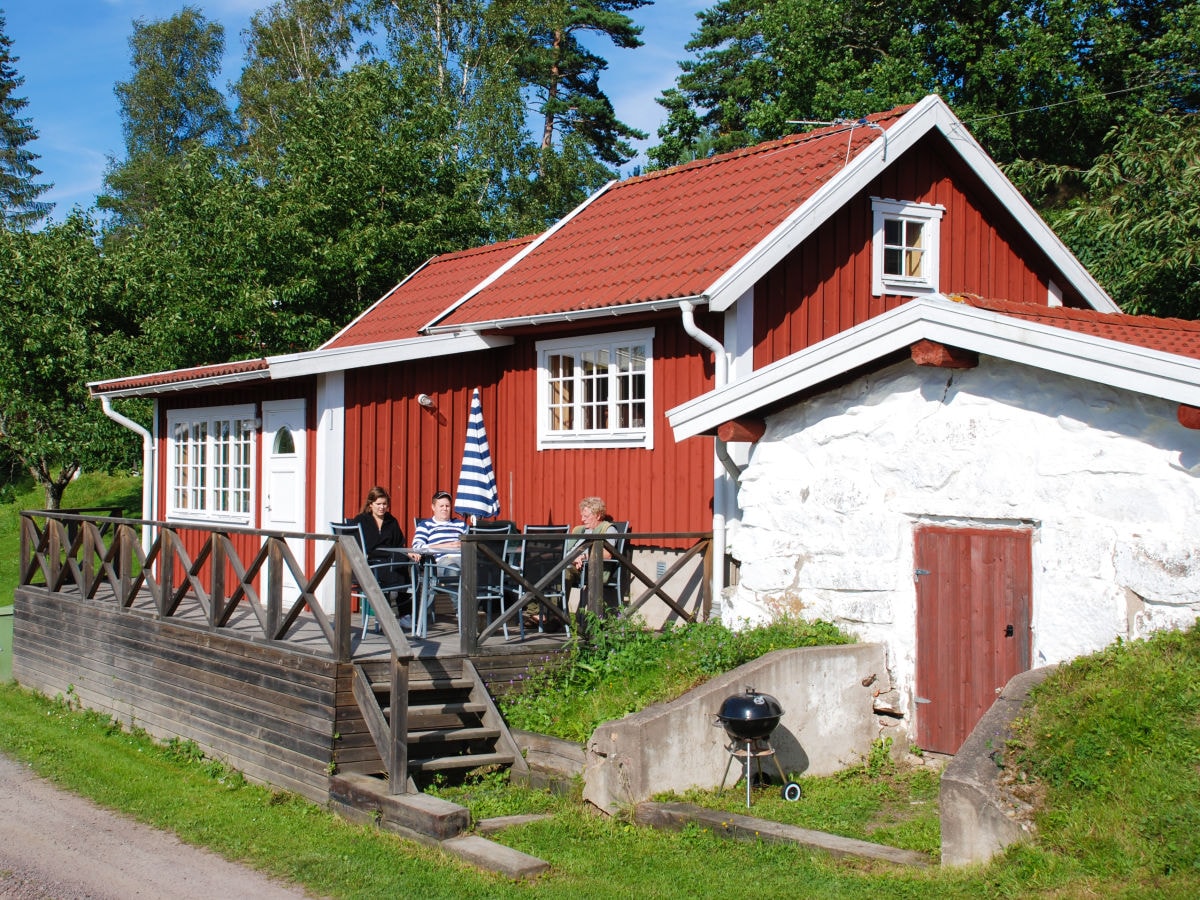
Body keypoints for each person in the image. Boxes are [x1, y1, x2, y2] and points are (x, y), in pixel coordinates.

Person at [349, 486, 409, 612]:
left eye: (385, 504)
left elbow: (399, 544)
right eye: (378, 504)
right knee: (395, 570)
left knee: (403, 562)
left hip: (388, 561)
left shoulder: (391, 521)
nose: (382, 507)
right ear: (370, 504)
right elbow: (353, 544)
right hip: (368, 565)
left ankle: (405, 613)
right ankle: (386, 613)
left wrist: (409, 553)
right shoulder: (361, 520)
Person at [412, 490, 467, 566]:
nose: (445, 508)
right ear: (433, 507)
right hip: (443, 561)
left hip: (465, 559)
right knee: (453, 567)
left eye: (447, 506)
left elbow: (472, 542)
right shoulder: (426, 525)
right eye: (441, 506)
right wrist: (447, 546)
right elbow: (417, 547)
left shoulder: (460, 524)